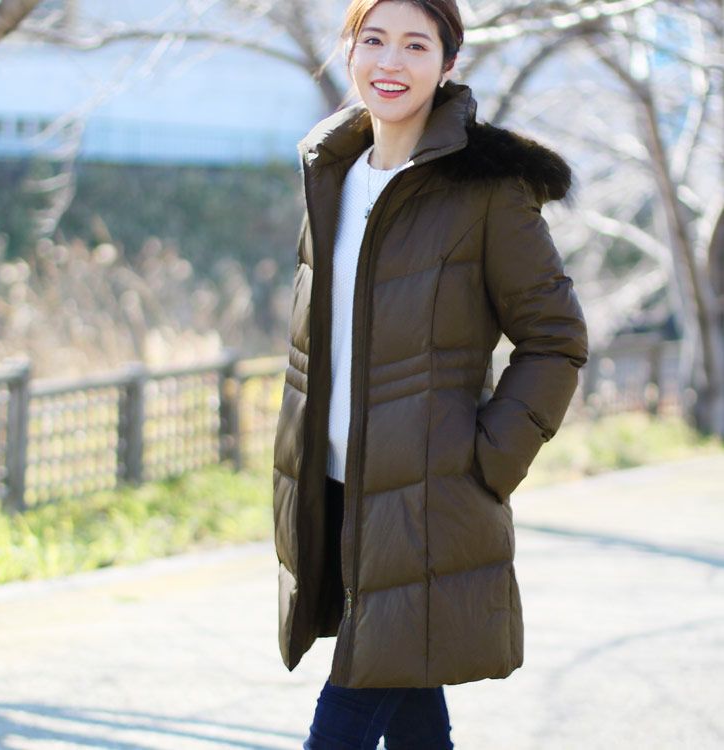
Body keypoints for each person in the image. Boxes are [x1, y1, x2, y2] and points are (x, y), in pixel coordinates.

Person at [271, 0, 590, 746]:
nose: (391, 63)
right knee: (410, 703)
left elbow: (555, 338)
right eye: (374, 40)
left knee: (348, 712)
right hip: (334, 485)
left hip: (428, 497)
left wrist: (486, 460)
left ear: (448, 65)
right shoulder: (332, 172)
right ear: (349, 50)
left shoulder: (487, 189)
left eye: (416, 46)